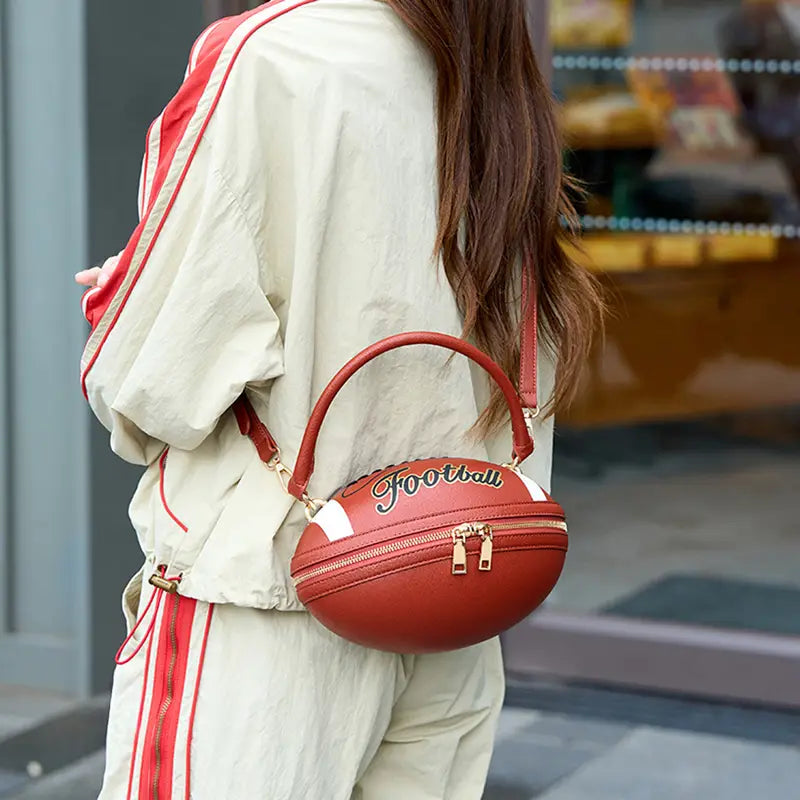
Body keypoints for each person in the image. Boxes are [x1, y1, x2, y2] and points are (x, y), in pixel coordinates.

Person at [75, 1, 601, 798]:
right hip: (450, 592)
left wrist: (122, 301)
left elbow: (162, 381)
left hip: (273, 603)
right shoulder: (492, 63)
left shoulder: (267, 54)